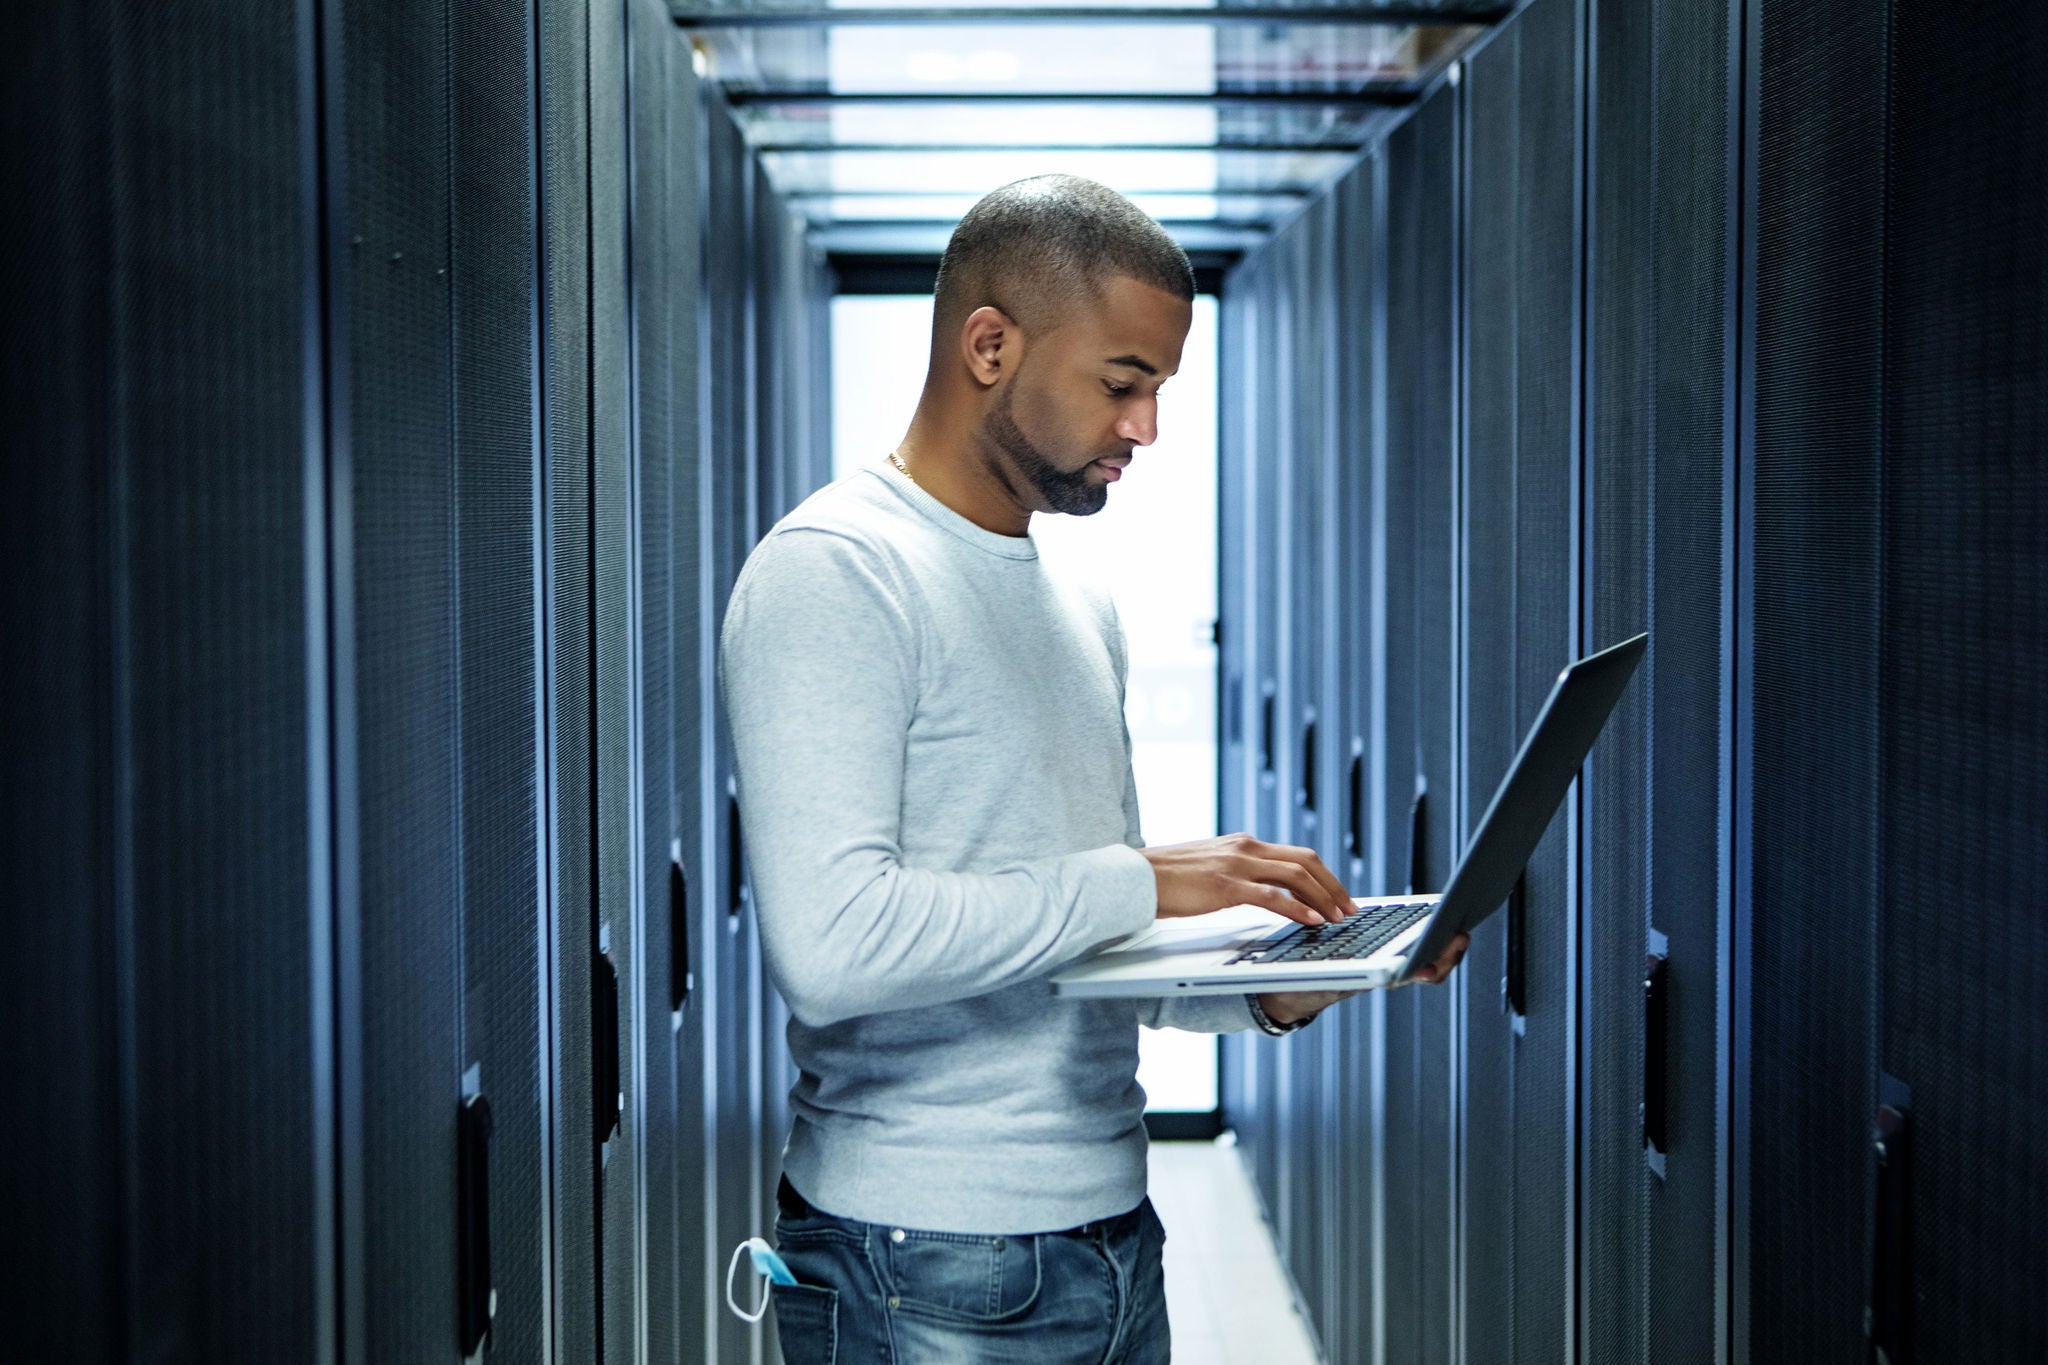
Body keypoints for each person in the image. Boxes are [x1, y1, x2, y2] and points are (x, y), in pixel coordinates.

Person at [717, 174, 1469, 1364]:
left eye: (1159, 389)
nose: (1146, 428)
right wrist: (1144, 877)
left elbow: (1085, 954)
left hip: (1111, 1243)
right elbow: (831, 948)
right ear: (987, 344)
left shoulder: (1075, 596)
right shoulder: (834, 574)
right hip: (920, 1262)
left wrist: (1289, 985)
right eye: (1121, 383)